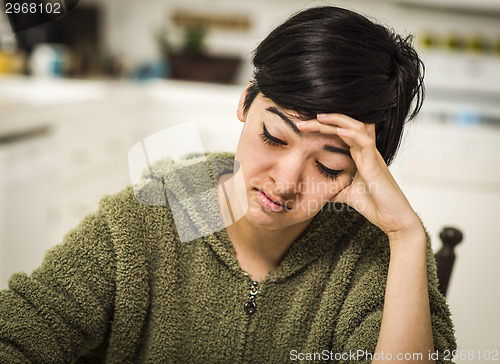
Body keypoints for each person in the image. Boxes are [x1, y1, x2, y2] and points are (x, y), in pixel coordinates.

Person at [0, 6, 456, 364]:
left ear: (362, 170)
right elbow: (22, 331)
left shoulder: (372, 259)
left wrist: (406, 235)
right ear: (245, 101)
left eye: (330, 167)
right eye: (273, 137)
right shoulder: (151, 216)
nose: (285, 183)